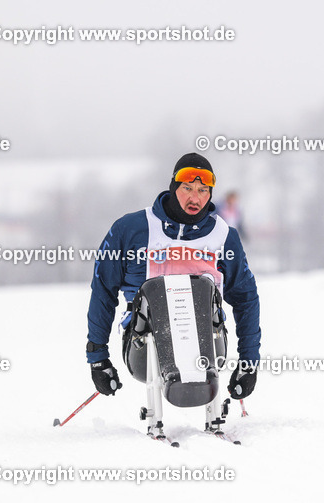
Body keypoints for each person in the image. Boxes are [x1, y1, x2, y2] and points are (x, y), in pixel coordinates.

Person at [85, 153, 261, 404]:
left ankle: (210, 401)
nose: (195, 198)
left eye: (203, 190)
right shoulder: (131, 229)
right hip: (144, 344)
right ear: (173, 187)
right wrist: (98, 357)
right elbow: (103, 289)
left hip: (208, 342)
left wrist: (248, 363)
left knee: (201, 290)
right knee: (158, 290)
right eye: (187, 188)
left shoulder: (223, 237)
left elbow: (246, 298)